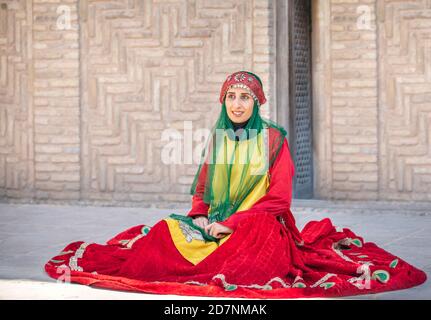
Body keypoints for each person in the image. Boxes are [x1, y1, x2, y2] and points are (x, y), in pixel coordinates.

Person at [45, 71, 427, 299]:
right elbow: (202, 191)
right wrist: (200, 218)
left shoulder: (274, 139)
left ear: (256, 102)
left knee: (253, 245)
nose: (237, 104)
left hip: (258, 225)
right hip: (214, 223)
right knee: (164, 232)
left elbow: (278, 200)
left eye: (245, 97)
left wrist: (232, 223)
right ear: (223, 101)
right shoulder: (219, 138)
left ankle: (224, 247)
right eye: (231, 97)